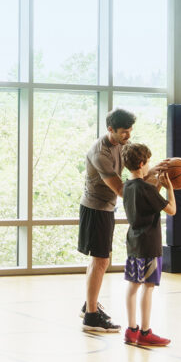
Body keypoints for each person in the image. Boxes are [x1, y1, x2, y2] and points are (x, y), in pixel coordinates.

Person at [78, 108, 135, 333]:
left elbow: (135, 166)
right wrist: (147, 189)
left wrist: (155, 172)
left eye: (130, 131)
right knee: (100, 261)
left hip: (106, 208)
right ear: (110, 129)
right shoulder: (100, 152)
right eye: (124, 132)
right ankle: (91, 317)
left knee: (100, 261)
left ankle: (89, 305)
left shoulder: (122, 143)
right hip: (96, 209)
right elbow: (121, 189)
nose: (128, 136)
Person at [121, 143, 176, 347]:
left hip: (133, 243)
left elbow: (149, 200)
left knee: (133, 285)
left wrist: (157, 185)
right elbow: (171, 210)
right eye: (149, 162)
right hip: (150, 244)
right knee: (149, 286)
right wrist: (169, 188)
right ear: (142, 163)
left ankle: (131, 329)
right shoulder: (146, 188)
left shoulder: (127, 186)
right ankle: (145, 332)